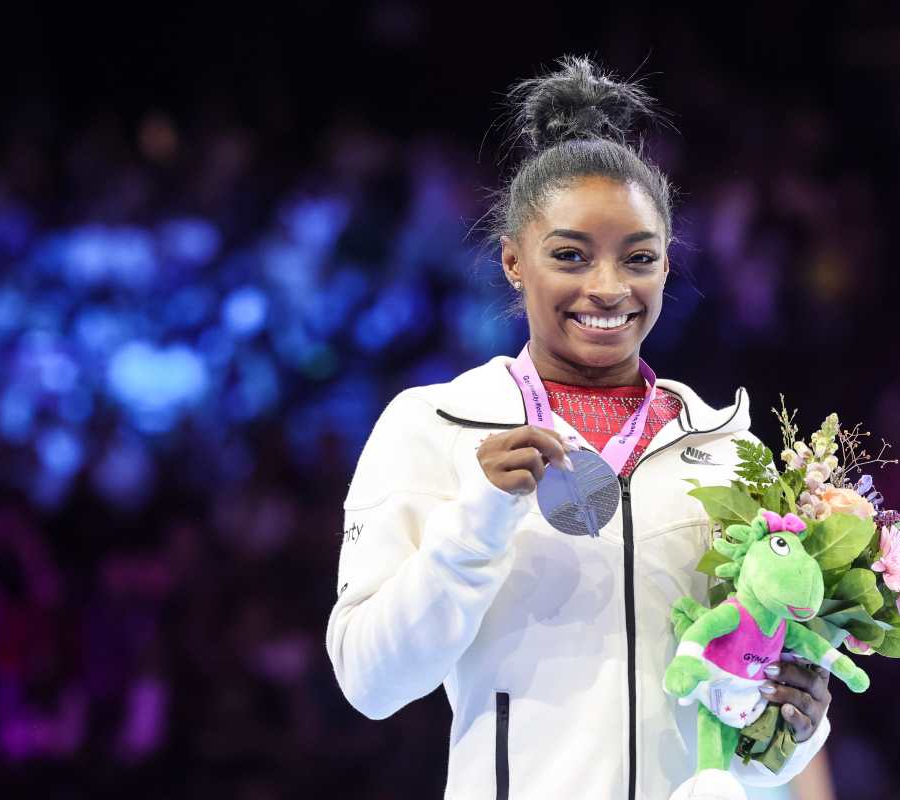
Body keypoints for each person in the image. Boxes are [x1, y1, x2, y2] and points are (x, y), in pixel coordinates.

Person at [324, 54, 833, 800]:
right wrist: (477, 524)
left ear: (666, 269)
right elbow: (369, 682)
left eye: (639, 259)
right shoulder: (432, 427)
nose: (607, 287)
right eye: (570, 255)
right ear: (512, 262)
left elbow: (745, 738)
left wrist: (796, 724)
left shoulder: (729, 451)